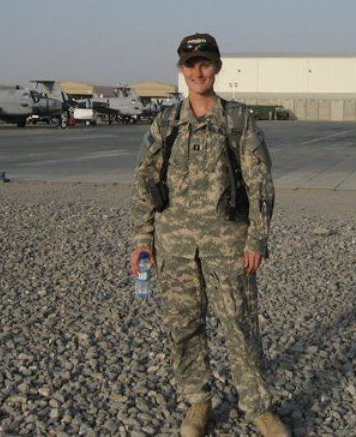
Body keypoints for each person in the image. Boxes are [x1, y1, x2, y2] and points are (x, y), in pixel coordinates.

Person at [130, 33, 289, 436]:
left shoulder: (238, 120)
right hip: (176, 247)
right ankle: (198, 402)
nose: (198, 71)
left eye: (205, 62)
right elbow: (144, 184)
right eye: (190, 64)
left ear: (217, 66)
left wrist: (257, 239)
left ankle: (258, 407)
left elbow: (260, 184)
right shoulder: (165, 123)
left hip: (228, 246)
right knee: (184, 326)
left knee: (239, 324)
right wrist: (141, 242)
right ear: (181, 70)